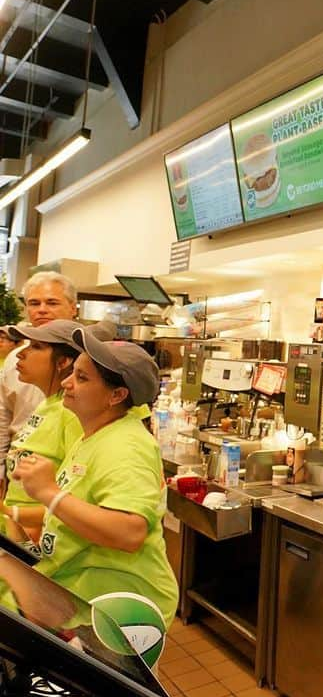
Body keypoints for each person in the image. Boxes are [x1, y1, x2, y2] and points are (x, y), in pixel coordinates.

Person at [13, 327, 178, 666]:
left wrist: (48, 492)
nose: (66, 384)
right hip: (84, 602)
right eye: (72, 373)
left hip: (118, 613)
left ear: (116, 395)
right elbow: (78, 513)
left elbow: (129, 532)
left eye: (82, 378)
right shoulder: (94, 435)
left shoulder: (126, 446)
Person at [0, 320, 88, 546]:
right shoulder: (47, 404)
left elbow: (80, 502)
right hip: (19, 534)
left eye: (36, 347)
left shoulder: (71, 414)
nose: (21, 354)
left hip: (45, 541)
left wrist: (12, 513)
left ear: (63, 361)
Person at [0, 272, 79, 485]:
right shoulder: (14, 360)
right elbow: (4, 416)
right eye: (34, 303)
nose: (42, 309)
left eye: (52, 302)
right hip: (19, 463)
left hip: (59, 475)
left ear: (73, 307)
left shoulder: (90, 360)